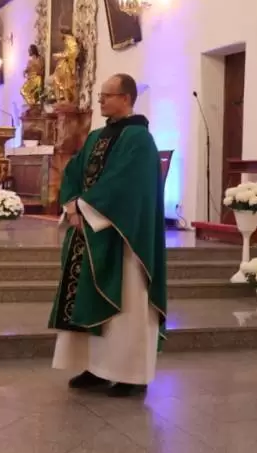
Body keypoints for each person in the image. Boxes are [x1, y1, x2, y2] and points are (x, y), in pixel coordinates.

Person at [48, 73, 167, 397]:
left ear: (126, 98)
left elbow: (125, 184)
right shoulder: (96, 136)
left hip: (124, 237)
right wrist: (72, 205)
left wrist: (84, 207)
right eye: (100, 95)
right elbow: (73, 172)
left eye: (106, 95)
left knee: (127, 304)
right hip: (90, 230)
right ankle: (96, 368)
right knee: (87, 298)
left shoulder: (140, 140)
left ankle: (131, 374)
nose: (100, 100)